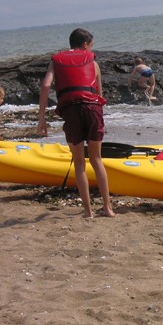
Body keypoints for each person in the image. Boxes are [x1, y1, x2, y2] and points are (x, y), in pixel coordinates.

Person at [37, 28, 115, 219]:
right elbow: (99, 94)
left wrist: (42, 118)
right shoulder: (93, 61)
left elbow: (46, 85)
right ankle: (107, 208)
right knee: (96, 160)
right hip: (92, 109)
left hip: (71, 111)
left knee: (79, 163)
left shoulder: (55, 61)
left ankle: (88, 212)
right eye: (92, 45)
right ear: (86, 45)